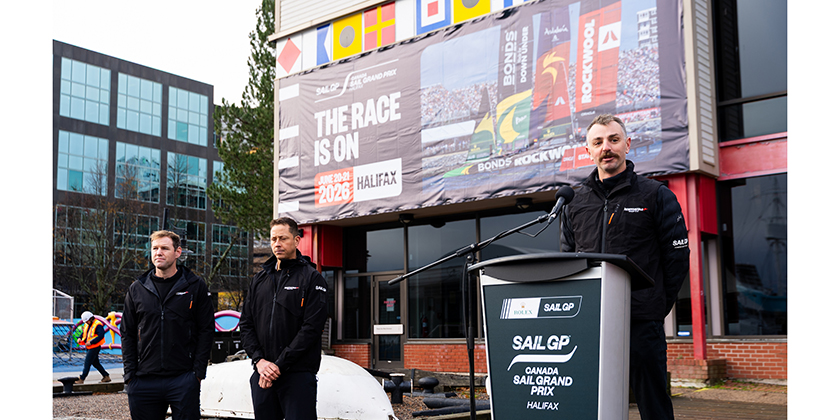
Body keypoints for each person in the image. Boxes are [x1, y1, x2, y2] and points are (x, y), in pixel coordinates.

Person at [561, 114, 690, 420]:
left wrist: (656, 305)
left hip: (641, 321)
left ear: (627, 144)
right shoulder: (574, 202)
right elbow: (567, 258)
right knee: (589, 401)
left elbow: (676, 260)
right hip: (589, 321)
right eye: (598, 142)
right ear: (588, 151)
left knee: (653, 403)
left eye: (613, 140)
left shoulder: (656, 195)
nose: (606, 147)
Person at [239, 217, 329, 420]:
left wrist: (279, 365)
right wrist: (259, 361)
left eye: (283, 238)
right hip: (262, 374)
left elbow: (311, 329)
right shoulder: (259, 279)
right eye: (273, 239)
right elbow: (246, 324)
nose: (277, 244)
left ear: (297, 241)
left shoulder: (312, 278)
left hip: (297, 375)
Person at [120, 230, 214, 420]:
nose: (158, 253)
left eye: (164, 248)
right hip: (144, 380)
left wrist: (197, 373)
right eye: (155, 248)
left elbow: (206, 330)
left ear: (178, 252)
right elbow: (127, 333)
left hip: (183, 378)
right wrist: (130, 375)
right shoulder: (137, 288)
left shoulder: (195, 286)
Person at [76, 310, 110, 384]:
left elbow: (101, 336)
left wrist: (91, 342)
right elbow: (84, 332)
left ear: (91, 318)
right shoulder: (87, 324)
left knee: (87, 362)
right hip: (89, 347)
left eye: (87, 321)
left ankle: (82, 378)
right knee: (95, 363)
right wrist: (79, 337)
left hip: (95, 346)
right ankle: (106, 376)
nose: (86, 322)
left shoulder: (98, 325)